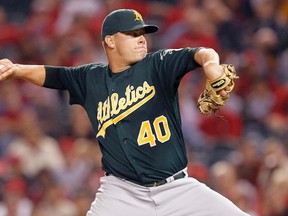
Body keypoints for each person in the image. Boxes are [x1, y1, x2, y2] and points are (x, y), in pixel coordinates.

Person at [0, 8, 250, 216]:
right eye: (132, 34)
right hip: (121, 192)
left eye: (142, 33)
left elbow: (200, 53)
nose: (142, 38)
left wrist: (211, 65)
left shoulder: (158, 64)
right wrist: (17, 69)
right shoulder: (90, 78)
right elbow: (54, 75)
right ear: (110, 40)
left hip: (176, 189)